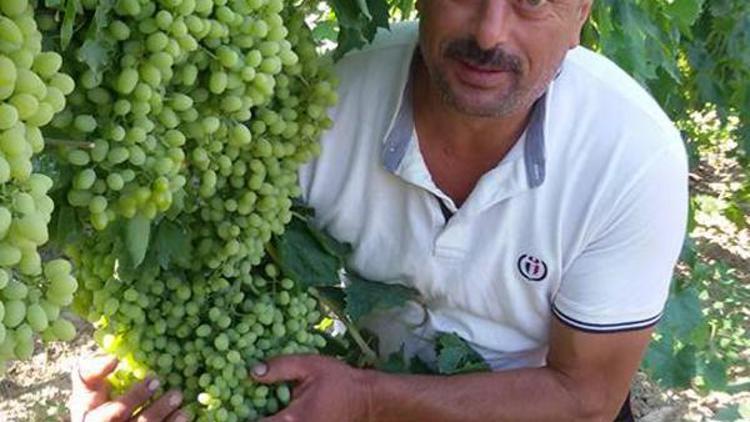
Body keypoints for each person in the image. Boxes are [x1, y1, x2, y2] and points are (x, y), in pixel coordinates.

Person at [71, 0, 689, 420]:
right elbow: (218, 273)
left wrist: (368, 398)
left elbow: (586, 398)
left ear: (580, 14)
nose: (490, 32)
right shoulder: (318, 104)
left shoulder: (631, 156)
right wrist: (147, 374)